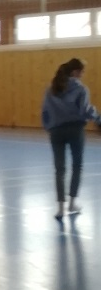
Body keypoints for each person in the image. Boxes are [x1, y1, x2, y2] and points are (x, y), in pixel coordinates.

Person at [41, 57, 101, 221]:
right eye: (82, 72)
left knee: (59, 169)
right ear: (75, 72)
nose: (82, 75)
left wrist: (49, 127)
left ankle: (60, 208)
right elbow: (85, 110)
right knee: (77, 166)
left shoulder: (51, 88)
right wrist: (98, 118)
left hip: (56, 131)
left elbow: (45, 111)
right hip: (75, 130)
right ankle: (72, 204)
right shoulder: (81, 89)